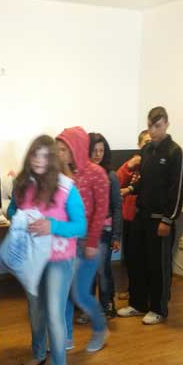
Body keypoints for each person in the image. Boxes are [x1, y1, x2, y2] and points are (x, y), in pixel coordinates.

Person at [8, 135, 86, 365]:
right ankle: (38, 353)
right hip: (32, 259)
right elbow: (12, 210)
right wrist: (18, 218)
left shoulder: (67, 187)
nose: (39, 160)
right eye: (35, 154)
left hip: (58, 260)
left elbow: (81, 226)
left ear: (53, 158)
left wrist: (52, 226)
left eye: (45, 155)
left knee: (54, 314)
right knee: (35, 312)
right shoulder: (24, 185)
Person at [118, 106, 183, 324]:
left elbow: (178, 189)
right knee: (136, 260)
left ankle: (158, 309)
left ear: (166, 124)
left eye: (157, 126)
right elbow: (143, 181)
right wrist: (129, 189)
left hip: (160, 219)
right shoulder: (146, 150)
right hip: (141, 215)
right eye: (150, 126)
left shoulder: (175, 152)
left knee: (158, 266)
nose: (153, 131)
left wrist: (168, 219)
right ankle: (138, 304)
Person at [56, 127, 109, 352]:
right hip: (67, 242)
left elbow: (101, 211)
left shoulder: (97, 173)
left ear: (75, 148)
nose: (59, 153)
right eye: (57, 149)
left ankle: (100, 329)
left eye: (63, 149)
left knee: (80, 294)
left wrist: (92, 243)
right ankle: (66, 337)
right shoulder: (65, 174)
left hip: (88, 243)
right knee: (65, 293)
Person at [89, 133, 122, 319]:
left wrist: (116, 235)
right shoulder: (82, 174)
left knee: (102, 269)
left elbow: (117, 207)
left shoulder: (111, 176)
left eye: (101, 150)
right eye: (94, 150)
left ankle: (107, 305)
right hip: (86, 231)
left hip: (105, 230)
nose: (98, 154)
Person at [117, 129, 151, 302]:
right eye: (145, 142)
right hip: (129, 215)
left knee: (145, 258)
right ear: (139, 145)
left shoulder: (154, 164)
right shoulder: (132, 163)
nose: (148, 145)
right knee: (130, 258)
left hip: (145, 216)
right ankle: (132, 291)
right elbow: (116, 182)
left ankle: (146, 294)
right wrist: (128, 166)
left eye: (151, 142)